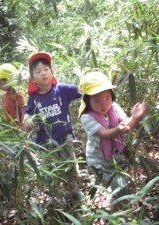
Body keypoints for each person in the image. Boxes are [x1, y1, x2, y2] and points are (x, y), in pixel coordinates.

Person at [78, 71, 146, 209]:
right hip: (99, 162)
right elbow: (105, 134)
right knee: (121, 188)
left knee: (122, 188)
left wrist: (134, 117)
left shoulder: (114, 107)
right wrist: (119, 129)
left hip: (116, 157)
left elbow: (126, 124)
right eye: (97, 101)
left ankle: (117, 213)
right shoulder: (86, 117)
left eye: (107, 98)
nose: (104, 105)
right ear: (87, 101)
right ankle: (119, 215)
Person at [22, 51, 83, 204]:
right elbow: (28, 112)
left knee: (69, 164)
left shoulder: (61, 89)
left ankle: (74, 190)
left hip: (64, 135)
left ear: (52, 72)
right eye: (38, 71)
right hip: (45, 141)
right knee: (49, 169)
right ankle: (55, 196)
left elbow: (80, 90)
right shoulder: (34, 98)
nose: (43, 73)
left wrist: (90, 86)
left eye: (46, 69)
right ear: (33, 79)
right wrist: (27, 119)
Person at [0, 63, 26, 127]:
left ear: (6, 80)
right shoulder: (4, 95)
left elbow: (23, 111)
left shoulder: (18, 94)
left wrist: (24, 126)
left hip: (19, 129)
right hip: (10, 128)